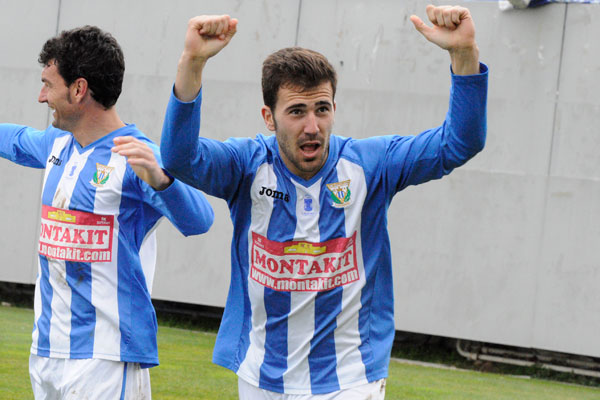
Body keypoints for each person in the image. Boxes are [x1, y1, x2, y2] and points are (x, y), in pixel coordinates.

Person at [161, 5, 487, 398]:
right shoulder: (246, 166)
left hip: (349, 379)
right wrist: (192, 62)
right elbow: (180, 157)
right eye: (296, 111)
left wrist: (464, 55)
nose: (312, 126)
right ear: (269, 117)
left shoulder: (371, 164)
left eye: (322, 109)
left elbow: (459, 142)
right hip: (262, 376)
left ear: (335, 109)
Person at [0, 26, 214, 399]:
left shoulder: (138, 155)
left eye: (48, 85)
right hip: (46, 351)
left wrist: (162, 181)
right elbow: (14, 141)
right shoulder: (58, 143)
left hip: (106, 359)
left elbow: (200, 220)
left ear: (79, 89)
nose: (41, 96)